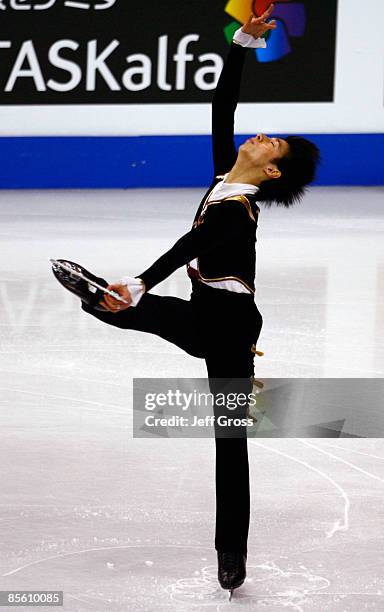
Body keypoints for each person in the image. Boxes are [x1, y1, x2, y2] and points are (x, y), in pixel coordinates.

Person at [52, 3, 320, 598]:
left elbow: (193, 241)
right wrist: (240, 44)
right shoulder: (226, 177)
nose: (261, 136)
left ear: (272, 173)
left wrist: (145, 279)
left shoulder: (238, 210)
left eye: (271, 143)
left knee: (230, 441)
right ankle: (106, 298)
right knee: (110, 309)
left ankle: (232, 557)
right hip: (201, 311)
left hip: (227, 325)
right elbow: (221, 109)